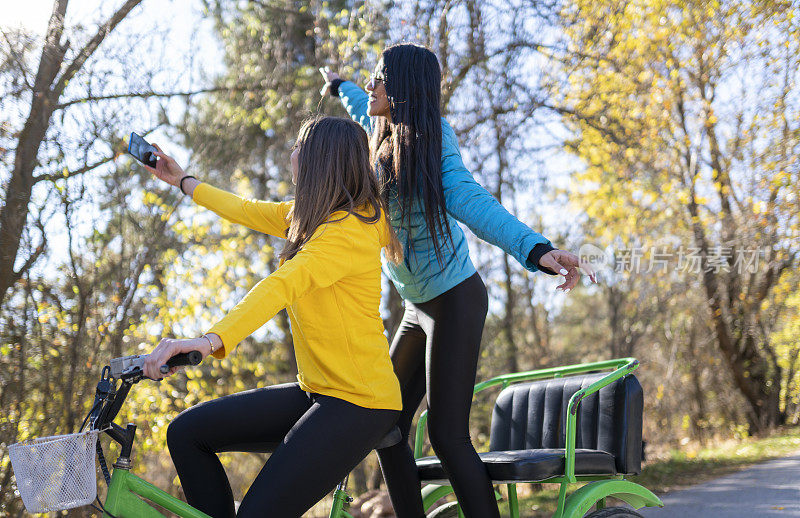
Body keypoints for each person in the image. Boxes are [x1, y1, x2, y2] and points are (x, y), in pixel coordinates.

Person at [320, 43, 597, 517]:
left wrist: (536, 249)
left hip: (455, 300)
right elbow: (356, 100)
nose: (372, 84)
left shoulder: (433, 140)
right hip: (415, 308)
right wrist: (337, 84)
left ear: (404, 89)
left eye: (379, 77)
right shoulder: (375, 130)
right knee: (385, 427)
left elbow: (473, 202)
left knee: (447, 435)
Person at [140, 116, 403, 518]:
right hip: (318, 391)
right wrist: (182, 180)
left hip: (359, 402)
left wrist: (210, 341)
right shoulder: (311, 217)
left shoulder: (346, 232)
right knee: (186, 433)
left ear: (321, 160)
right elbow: (243, 208)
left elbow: (279, 286)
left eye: (300, 147)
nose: (292, 153)